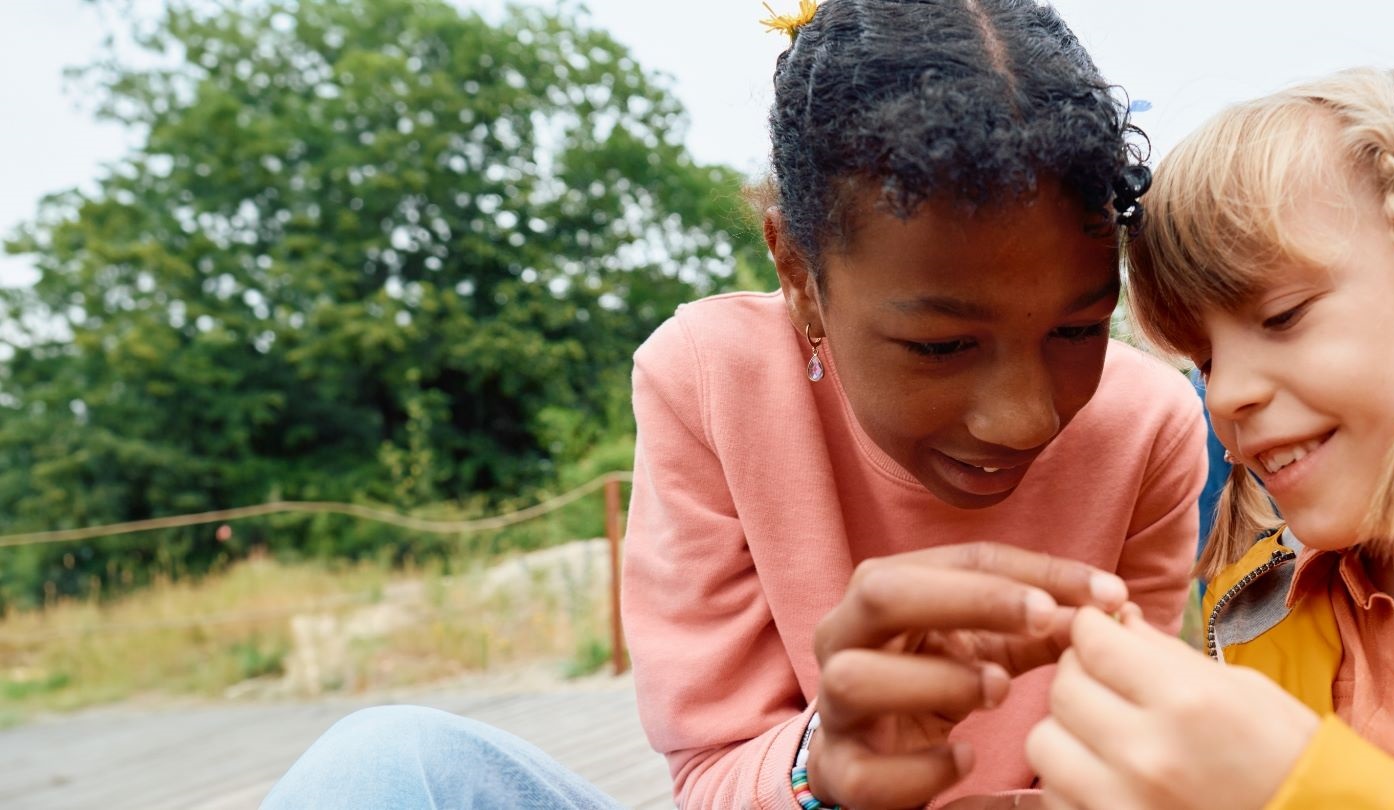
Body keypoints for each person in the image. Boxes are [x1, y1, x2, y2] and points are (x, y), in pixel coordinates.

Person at [262, 1, 1207, 808]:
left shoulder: (1150, 426)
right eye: (941, 345)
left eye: (1082, 329)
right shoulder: (706, 380)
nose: (1026, 418)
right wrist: (824, 768)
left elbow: (1121, 762)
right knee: (385, 763)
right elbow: (712, 767)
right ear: (796, 270)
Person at [1025, 67, 1394, 809]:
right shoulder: (1251, 613)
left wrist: (1296, 788)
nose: (1224, 394)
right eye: (1205, 360)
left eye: (1282, 316)